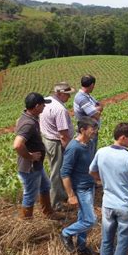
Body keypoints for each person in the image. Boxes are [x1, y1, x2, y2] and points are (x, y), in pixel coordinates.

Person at [89, 123, 128, 255]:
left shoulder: (101, 152)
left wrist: (104, 180)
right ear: (122, 137)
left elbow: (92, 171)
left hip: (108, 204)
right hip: (126, 205)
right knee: (122, 242)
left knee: (106, 240)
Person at [13, 92, 64, 220]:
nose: (44, 108)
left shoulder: (28, 118)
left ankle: (49, 212)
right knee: (30, 195)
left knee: (45, 186)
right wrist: (30, 157)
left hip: (37, 165)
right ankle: (27, 223)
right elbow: (18, 145)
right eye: (42, 105)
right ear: (36, 106)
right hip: (30, 166)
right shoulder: (28, 124)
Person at [60, 117, 99, 255]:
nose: (95, 131)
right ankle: (66, 233)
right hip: (81, 188)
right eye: (92, 129)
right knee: (90, 220)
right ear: (82, 130)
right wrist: (71, 195)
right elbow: (64, 173)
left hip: (90, 185)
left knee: (83, 218)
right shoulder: (73, 148)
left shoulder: (90, 143)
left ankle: (81, 247)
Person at [40, 82, 76, 210]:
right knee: (57, 172)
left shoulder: (47, 100)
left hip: (47, 139)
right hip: (56, 142)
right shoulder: (60, 109)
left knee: (55, 168)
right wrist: (68, 149)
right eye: (67, 94)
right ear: (59, 94)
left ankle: (62, 195)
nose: (69, 97)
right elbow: (63, 135)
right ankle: (56, 203)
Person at [73, 75, 103, 157]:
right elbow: (96, 114)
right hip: (87, 132)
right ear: (92, 85)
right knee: (89, 155)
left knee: (92, 153)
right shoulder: (81, 98)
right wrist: (98, 109)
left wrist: (98, 108)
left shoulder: (87, 96)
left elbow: (99, 105)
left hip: (91, 131)